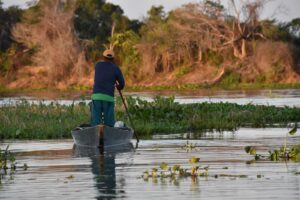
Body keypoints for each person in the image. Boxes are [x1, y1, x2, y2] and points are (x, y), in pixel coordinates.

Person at [91, 49, 125, 127]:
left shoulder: (97, 65)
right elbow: (122, 84)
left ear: (103, 57)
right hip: (108, 97)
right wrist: (118, 87)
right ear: (113, 59)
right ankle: (108, 131)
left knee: (96, 120)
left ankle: (97, 130)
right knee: (109, 122)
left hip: (96, 96)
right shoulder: (116, 68)